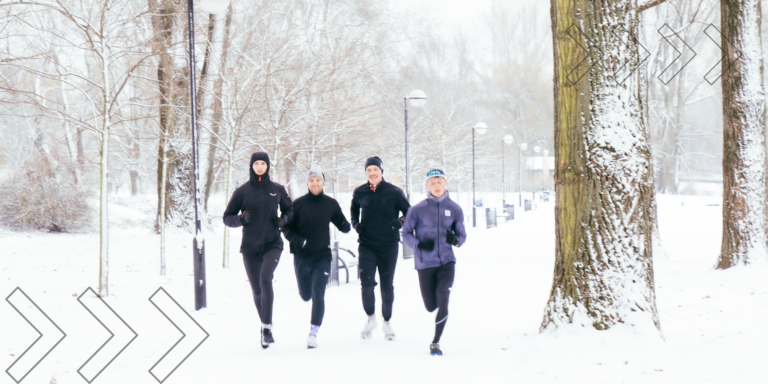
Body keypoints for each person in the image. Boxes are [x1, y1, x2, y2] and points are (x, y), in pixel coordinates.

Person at [223, 152, 293, 349]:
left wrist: (283, 220)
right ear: (252, 166)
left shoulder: (277, 189)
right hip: (250, 247)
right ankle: (264, 326)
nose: (260, 166)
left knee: (265, 279)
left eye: (263, 163)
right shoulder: (242, 191)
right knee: (256, 289)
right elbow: (227, 217)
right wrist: (241, 219)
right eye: (257, 163)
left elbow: (290, 210)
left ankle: (267, 328)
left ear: (268, 166)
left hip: (273, 244)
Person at [280, 166, 351, 349]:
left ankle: (313, 333)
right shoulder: (298, 204)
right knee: (306, 295)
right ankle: (308, 295)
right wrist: (298, 241)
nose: (315, 183)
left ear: (323, 183)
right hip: (302, 257)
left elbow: (341, 223)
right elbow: (285, 227)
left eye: (318, 180)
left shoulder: (330, 204)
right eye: (312, 180)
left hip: (322, 256)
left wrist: (346, 226)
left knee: (318, 292)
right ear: (308, 183)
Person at [402, 169, 466, 356]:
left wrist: (456, 240)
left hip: (447, 262)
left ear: (445, 183)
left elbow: (462, 236)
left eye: (439, 182)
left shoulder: (455, 209)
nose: (436, 186)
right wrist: (419, 244)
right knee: (431, 306)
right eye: (432, 183)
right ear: (427, 185)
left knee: (444, 298)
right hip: (425, 264)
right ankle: (436, 307)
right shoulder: (417, 209)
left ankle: (435, 342)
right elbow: (406, 233)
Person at [350, 156, 410, 340]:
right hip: (367, 245)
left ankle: (387, 322)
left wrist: (400, 221)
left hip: (389, 245)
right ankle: (370, 319)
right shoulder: (360, 192)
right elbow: (353, 209)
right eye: (369, 170)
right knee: (366, 283)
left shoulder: (394, 192)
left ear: (381, 171)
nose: (372, 173)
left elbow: (409, 212)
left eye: (375, 169)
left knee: (386, 285)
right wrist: (356, 224)